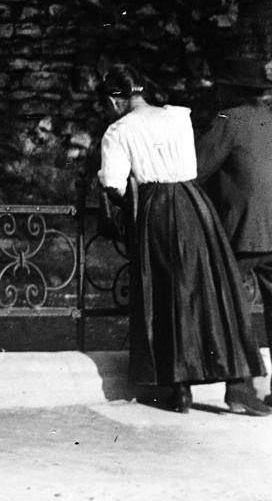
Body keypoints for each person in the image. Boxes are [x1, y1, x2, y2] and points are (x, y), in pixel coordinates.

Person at [94, 64, 269, 415]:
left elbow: (117, 181)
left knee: (180, 296)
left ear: (116, 100)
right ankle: (240, 389)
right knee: (211, 296)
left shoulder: (120, 130)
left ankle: (186, 388)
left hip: (176, 211)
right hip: (197, 208)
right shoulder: (178, 117)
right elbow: (191, 168)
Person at [197, 57, 272, 407]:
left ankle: (242, 390)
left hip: (244, 232)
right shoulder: (268, 119)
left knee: (234, 307)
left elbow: (196, 169)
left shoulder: (228, 119)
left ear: (233, 90)